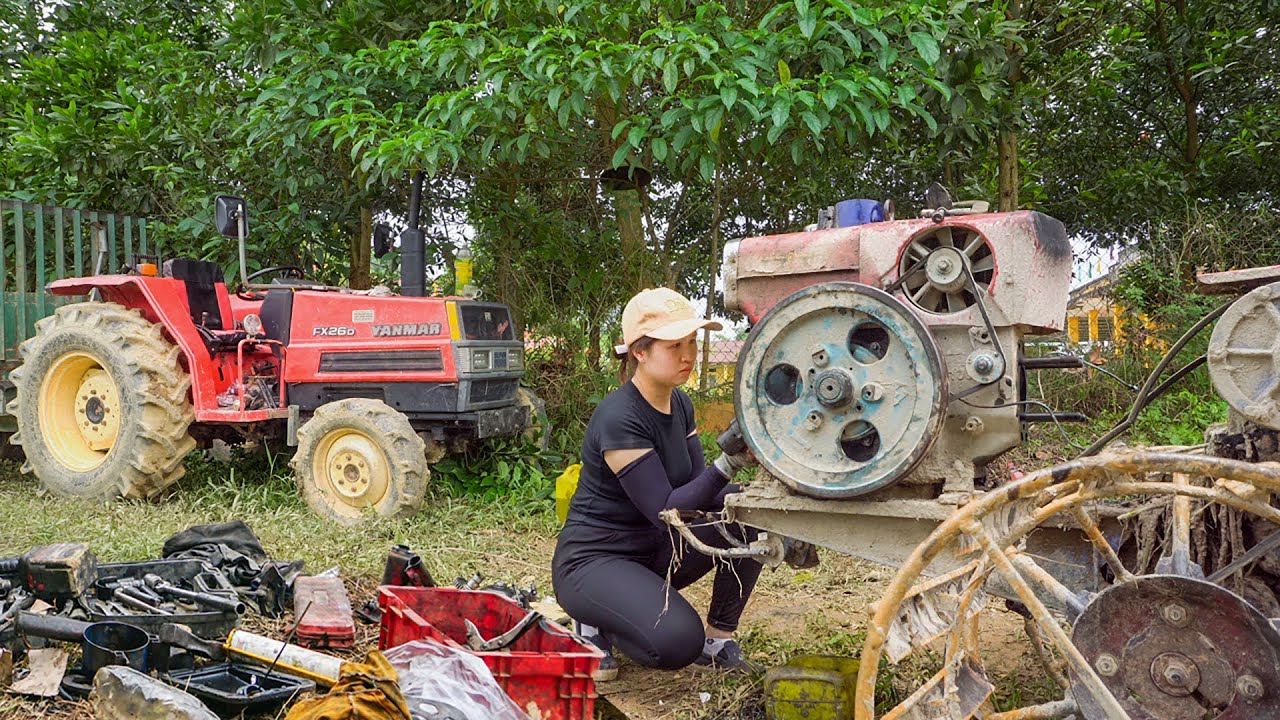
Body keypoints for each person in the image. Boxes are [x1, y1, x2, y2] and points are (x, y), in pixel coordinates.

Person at [551, 288, 763, 680]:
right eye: (674, 346)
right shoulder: (619, 417)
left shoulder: (680, 403)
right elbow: (667, 510)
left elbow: (701, 488)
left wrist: (753, 478)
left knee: (748, 509)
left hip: (657, 553)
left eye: (691, 343)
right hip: (596, 561)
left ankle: (718, 641)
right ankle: (595, 619)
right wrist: (728, 462)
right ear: (640, 352)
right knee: (678, 642)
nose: (687, 355)